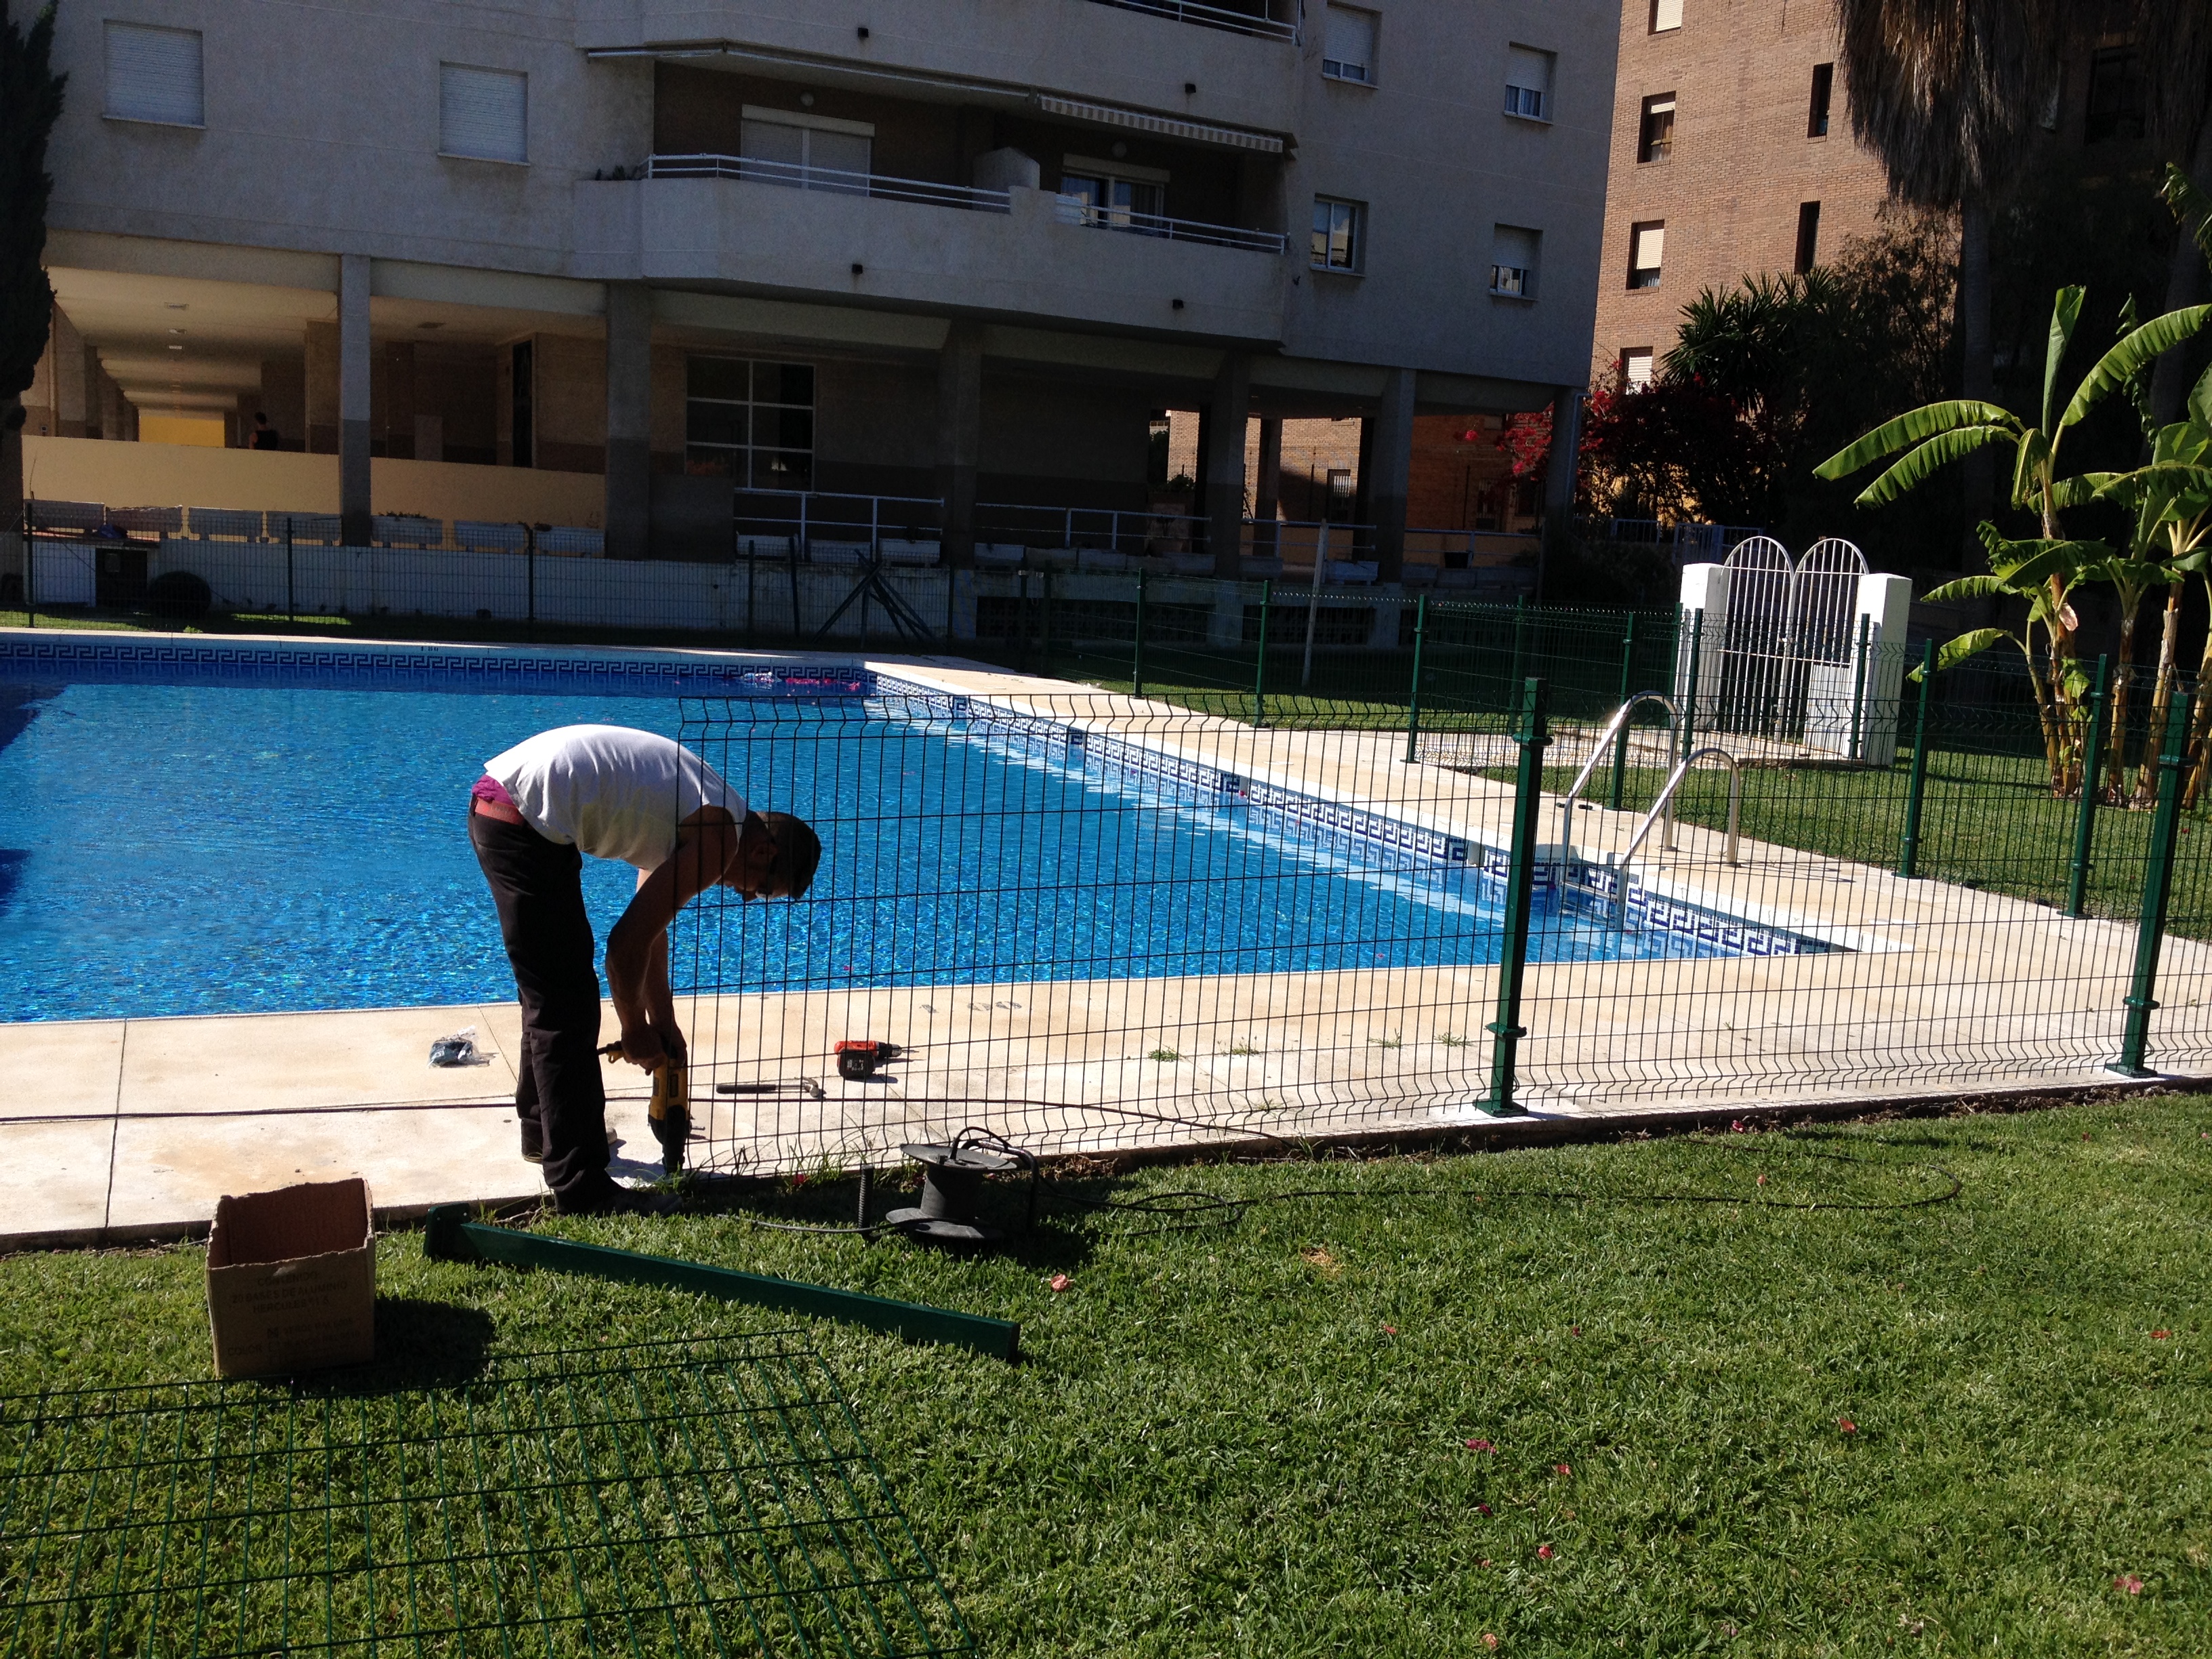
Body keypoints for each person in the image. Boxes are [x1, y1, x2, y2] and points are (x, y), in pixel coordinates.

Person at [468, 724, 820, 1214]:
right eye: (759, 890)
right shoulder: (719, 839)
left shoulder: (709, 813)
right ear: (765, 853)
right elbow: (624, 948)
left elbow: (649, 929)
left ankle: (543, 1133)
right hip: (523, 819)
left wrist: (664, 1019)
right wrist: (634, 1029)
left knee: (555, 987)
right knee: (565, 1004)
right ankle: (582, 1187)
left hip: (516, 810)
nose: (743, 896)